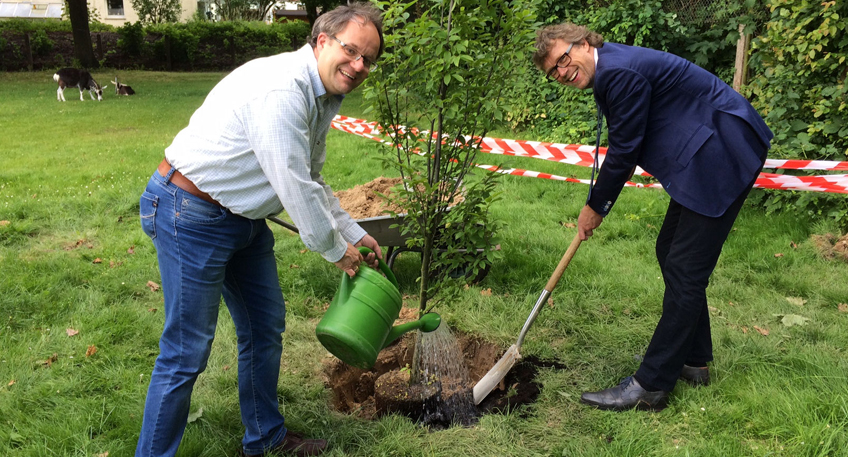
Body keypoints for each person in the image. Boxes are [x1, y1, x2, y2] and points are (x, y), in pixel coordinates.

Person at [136, 3, 385, 456]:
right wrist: (336, 250)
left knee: (265, 326)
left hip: (242, 219)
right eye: (351, 50)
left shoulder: (324, 93)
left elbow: (311, 177)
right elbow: (291, 181)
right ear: (322, 40)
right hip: (189, 212)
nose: (359, 65)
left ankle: (265, 439)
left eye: (369, 59)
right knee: (186, 351)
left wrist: (352, 230)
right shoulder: (282, 90)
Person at [533, 23, 772, 411]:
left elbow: (625, 151)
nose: (562, 71)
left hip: (722, 151)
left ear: (583, 43)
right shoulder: (610, 68)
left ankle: (651, 385)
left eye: (564, 58)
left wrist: (595, 207)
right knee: (670, 251)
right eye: (553, 71)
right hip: (701, 153)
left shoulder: (618, 72)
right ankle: (694, 361)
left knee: (685, 267)